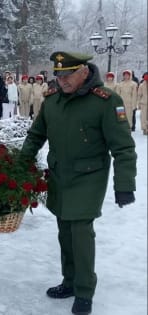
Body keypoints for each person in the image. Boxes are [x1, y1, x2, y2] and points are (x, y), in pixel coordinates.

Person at [21, 51, 137, 315]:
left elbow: (123, 148)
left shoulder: (106, 102)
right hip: (60, 175)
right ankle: (70, 281)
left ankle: (85, 291)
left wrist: (124, 184)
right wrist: (20, 164)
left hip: (89, 176)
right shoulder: (52, 101)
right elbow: (36, 135)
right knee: (65, 230)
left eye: (68, 74)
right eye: (58, 75)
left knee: (81, 231)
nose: (62, 81)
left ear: (84, 71)